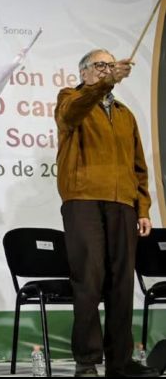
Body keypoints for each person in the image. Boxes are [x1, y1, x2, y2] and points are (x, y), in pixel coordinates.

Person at [55, 49, 158, 378]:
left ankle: (120, 362)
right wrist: (104, 84)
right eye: (100, 65)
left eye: (110, 66)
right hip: (83, 199)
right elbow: (71, 116)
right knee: (89, 279)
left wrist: (142, 206)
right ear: (84, 72)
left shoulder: (126, 114)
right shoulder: (70, 98)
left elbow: (138, 166)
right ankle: (86, 362)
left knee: (122, 283)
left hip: (123, 204)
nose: (106, 70)